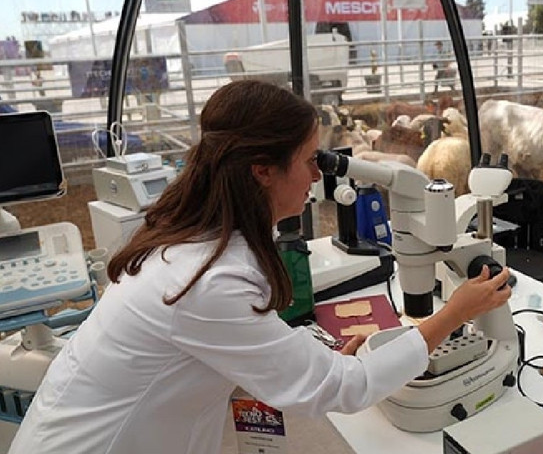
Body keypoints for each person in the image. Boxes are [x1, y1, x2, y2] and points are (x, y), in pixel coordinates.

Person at [9, 80, 512, 454]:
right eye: (310, 160)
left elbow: (228, 343)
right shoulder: (206, 279)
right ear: (261, 171)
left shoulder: (193, 236)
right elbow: (343, 388)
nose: (318, 175)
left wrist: (312, 354)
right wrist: (452, 316)